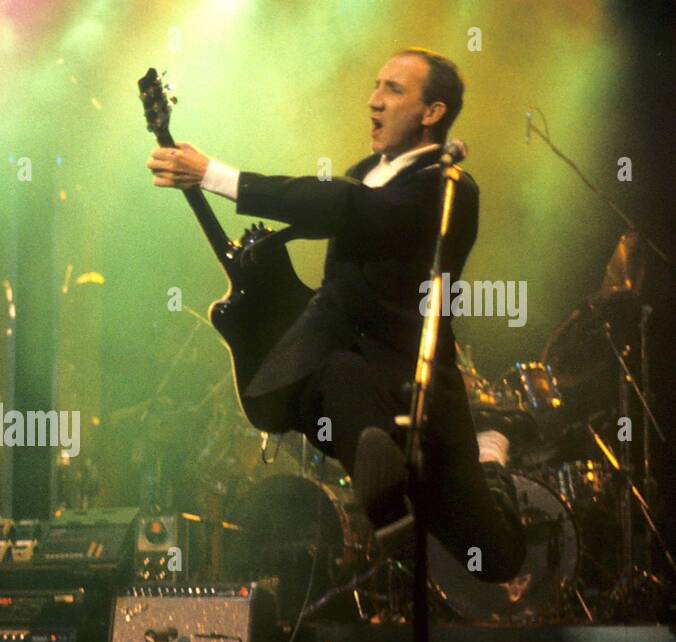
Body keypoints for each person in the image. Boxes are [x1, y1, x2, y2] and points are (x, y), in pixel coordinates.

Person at [146, 47, 525, 582]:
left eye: (393, 90)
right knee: (335, 375)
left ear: (432, 112)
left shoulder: (447, 189)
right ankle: (386, 495)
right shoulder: (365, 176)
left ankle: (490, 457)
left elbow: (343, 208)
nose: (373, 101)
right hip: (350, 377)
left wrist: (216, 175)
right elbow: (333, 213)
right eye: (375, 86)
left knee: (496, 559)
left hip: (418, 388)